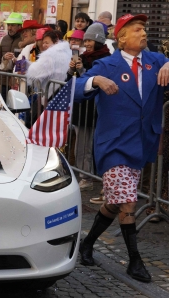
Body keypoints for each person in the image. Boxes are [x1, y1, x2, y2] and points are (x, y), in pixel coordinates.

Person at [76, 14, 169, 283]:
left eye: (144, 29)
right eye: (137, 29)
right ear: (122, 37)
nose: (143, 33)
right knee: (128, 201)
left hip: (141, 143)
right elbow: (76, 88)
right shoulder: (107, 64)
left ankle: (87, 243)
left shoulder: (156, 61)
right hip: (114, 143)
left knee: (115, 202)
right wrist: (95, 81)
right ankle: (135, 261)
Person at [67, 23, 111, 195]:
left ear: (98, 40)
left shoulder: (105, 59)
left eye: (90, 40)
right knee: (81, 144)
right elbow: (71, 81)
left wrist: (83, 70)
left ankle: (88, 178)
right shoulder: (83, 57)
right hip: (81, 109)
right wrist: (72, 69)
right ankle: (85, 175)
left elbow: (93, 81)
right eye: (86, 40)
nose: (87, 43)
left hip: (95, 109)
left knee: (89, 145)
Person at [0, 12, 23, 98]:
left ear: (19, 26)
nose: (10, 28)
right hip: (4, 80)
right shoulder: (4, 39)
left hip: (17, 82)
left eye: (13, 25)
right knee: (4, 105)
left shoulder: (23, 40)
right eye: (9, 25)